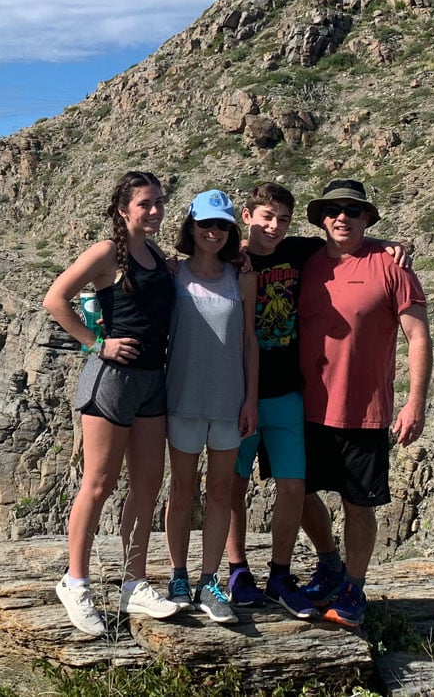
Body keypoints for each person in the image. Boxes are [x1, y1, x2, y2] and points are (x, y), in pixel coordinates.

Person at [225, 182, 414, 620]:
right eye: (267, 217)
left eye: (283, 219)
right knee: (236, 486)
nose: (274, 226)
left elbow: (348, 243)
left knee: (300, 487)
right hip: (239, 394)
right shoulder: (230, 257)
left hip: (291, 394)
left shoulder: (300, 252)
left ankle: (293, 576)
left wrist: (390, 244)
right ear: (247, 216)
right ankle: (240, 572)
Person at [44, 170, 181, 636]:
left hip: (152, 380)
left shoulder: (157, 254)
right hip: (112, 380)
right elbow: (55, 299)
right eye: (145, 203)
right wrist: (95, 344)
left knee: (147, 485)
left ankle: (134, 582)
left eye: (159, 202)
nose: (155, 210)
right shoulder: (106, 253)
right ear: (124, 209)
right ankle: (75, 582)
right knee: (98, 484)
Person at [296, 178, 432, 628]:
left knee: (359, 503)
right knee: (296, 491)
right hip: (305, 405)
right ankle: (329, 562)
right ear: (320, 218)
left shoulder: (392, 267)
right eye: (333, 210)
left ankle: (354, 585)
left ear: (367, 218)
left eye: (352, 211)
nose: (342, 217)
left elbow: (418, 338)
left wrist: (415, 403)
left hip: (364, 410)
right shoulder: (307, 263)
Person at [163, 189, 258, 625]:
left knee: (220, 492)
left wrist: (250, 399)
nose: (213, 232)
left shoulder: (242, 277)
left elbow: (248, 341)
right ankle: (178, 576)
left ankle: (209, 580)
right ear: (191, 227)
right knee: (183, 490)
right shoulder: (173, 274)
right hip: (182, 400)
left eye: (221, 225)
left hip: (228, 402)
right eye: (206, 224)